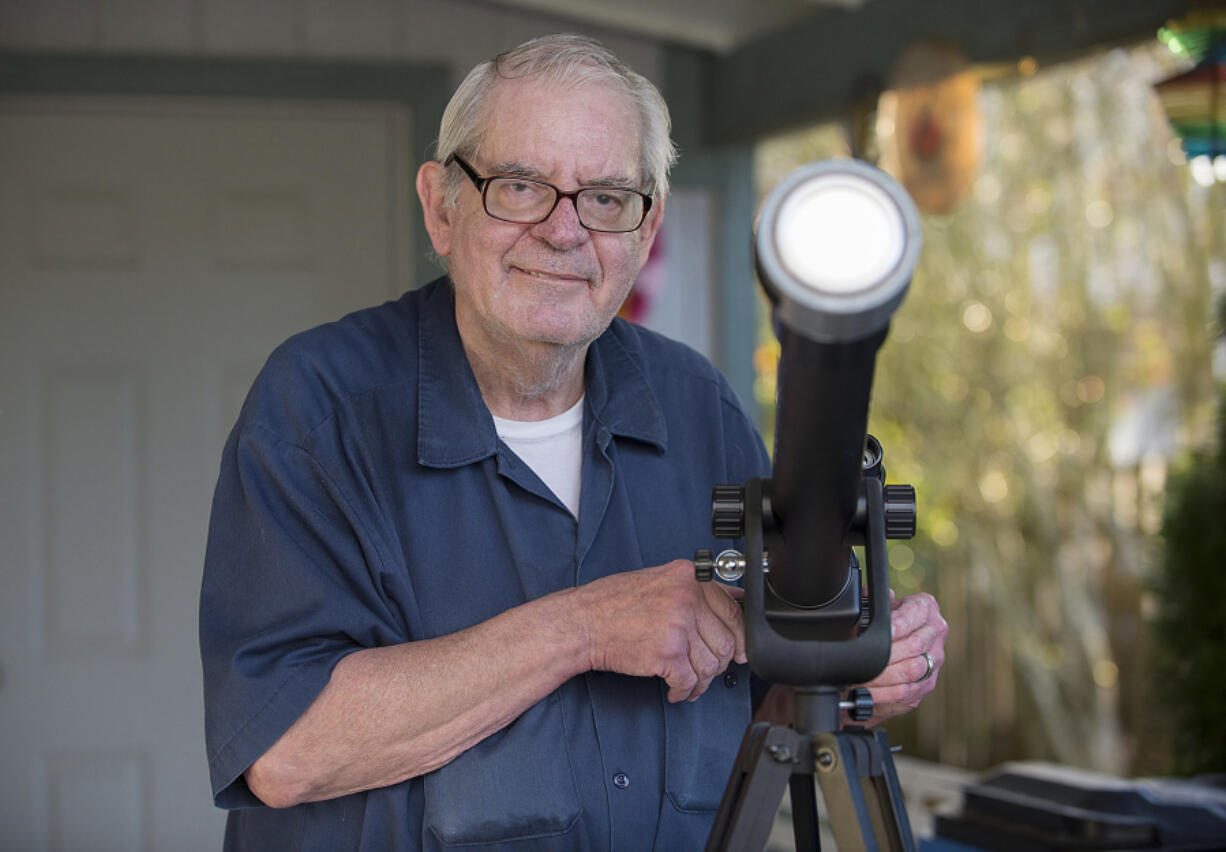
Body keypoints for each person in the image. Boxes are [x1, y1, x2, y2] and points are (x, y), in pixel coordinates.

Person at [200, 33, 948, 851]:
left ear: (646, 226)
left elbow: (760, 710)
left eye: (605, 197)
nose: (564, 231)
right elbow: (283, 749)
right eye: (520, 187)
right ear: (440, 208)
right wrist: (583, 628)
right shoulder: (319, 409)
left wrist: (843, 679)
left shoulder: (698, 410)